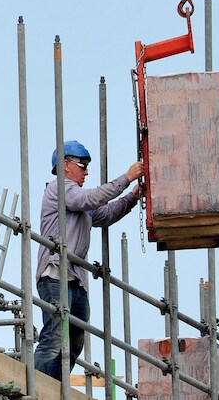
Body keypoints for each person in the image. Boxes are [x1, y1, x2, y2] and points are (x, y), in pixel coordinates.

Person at [34, 140, 143, 379]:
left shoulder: (78, 201)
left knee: (74, 342)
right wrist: (127, 178)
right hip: (55, 273)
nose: (86, 171)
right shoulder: (60, 188)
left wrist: (133, 197)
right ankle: (39, 386)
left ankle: (54, 388)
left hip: (75, 279)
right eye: (82, 165)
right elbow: (91, 199)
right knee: (54, 337)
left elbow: (104, 214)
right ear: (65, 165)